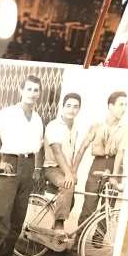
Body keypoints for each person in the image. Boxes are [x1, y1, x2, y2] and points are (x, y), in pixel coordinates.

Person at [0, 75, 44, 256]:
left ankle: (6, 253)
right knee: (2, 214)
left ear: (39, 94)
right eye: (29, 89)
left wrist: (36, 168)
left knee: (19, 215)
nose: (32, 93)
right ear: (21, 90)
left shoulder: (37, 119)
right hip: (10, 162)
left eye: (36, 90)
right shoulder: (8, 113)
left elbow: (39, 146)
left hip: (28, 165)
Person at [74, 90, 128, 227]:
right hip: (97, 165)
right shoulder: (97, 125)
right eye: (121, 104)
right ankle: (78, 238)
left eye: (125, 105)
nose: (124, 109)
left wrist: (114, 177)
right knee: (89, 206)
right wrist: (73, 171)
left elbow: (120, 153)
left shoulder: (125, 129)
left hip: (115, 165)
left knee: (107, 209)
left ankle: (98, 239)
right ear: (111, 106)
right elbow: (82, 148)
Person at [43, 93, 81, 233]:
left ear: (79, 109)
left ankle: (55, 227)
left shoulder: (75, 128)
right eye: (68, 106)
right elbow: (57, 152)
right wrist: (68, 174)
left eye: (75, 106)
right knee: (67, 185)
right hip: (52, 168)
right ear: (63, 107)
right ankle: (59, 226)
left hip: (65, 169)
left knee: (72, 200)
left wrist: (73, 172)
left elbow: (73, 152)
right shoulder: (54, 126)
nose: (72, 109)